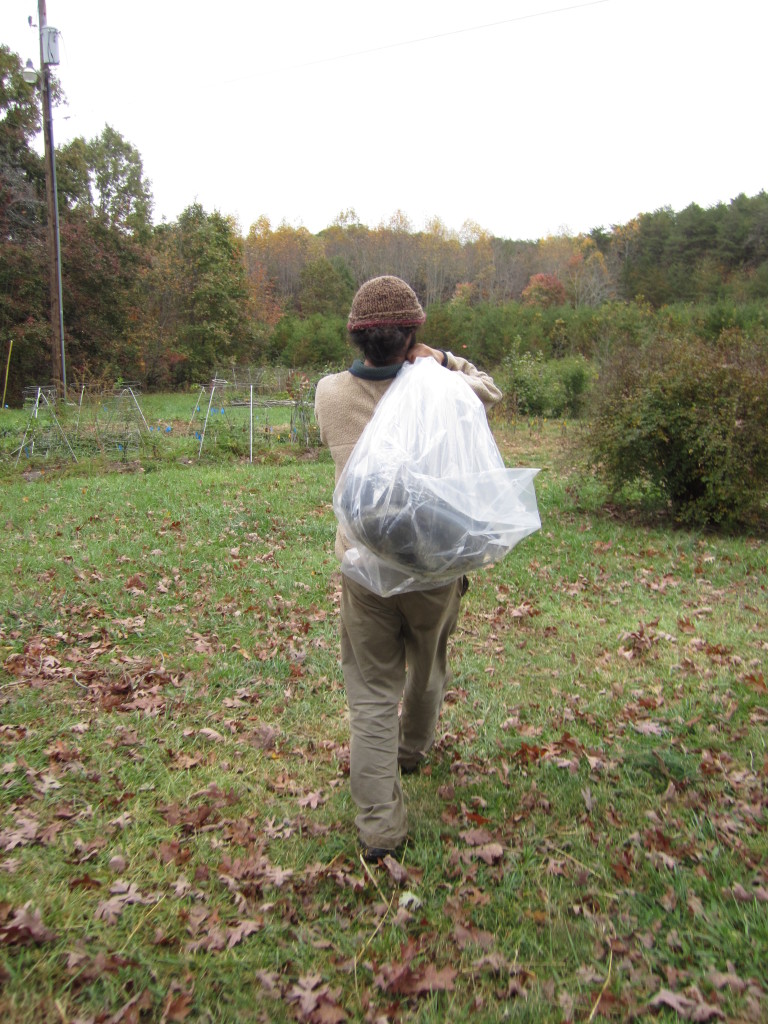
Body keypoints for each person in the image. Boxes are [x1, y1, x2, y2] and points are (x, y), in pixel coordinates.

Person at [314, 276, 501, 861]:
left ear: (356, 337)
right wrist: (440, 359)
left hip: (363, 561)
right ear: (413, 335)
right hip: (434, 559)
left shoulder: (330, 393)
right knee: (428, 663)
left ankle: (379, 829)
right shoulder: (443, 389)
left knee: (370, 693)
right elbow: (488, 389)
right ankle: (412, 751)